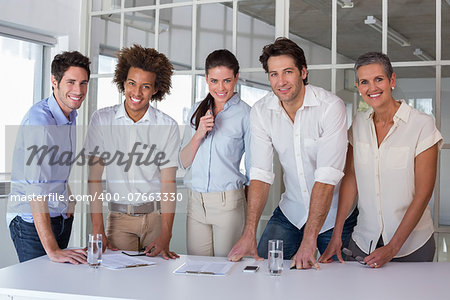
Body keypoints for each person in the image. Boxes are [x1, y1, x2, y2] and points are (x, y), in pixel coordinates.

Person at [227, 37, 358, 269]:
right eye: (274, 74)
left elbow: (327, 178)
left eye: (288, 72)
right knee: (263, 271)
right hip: (291, 210)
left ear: (303, 72)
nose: (281, 81)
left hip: (334, 217)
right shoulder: (261, 111)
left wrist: (309, 240)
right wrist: (250, 232)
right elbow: (260, 174)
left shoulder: (330, 107)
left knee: (342, 284)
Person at [319, 52, 443, 267]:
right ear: (358, 86)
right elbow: (350, 180)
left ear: (391, 80)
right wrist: (337, 234)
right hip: (364, 241)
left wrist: (393, 247)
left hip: (413, 246)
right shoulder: (358, 124)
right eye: (364, 82)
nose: (372, 88)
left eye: (378, 79)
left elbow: (423, 194)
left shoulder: (422, 125)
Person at [85, 44, 180, 259]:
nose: (136, 92)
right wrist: (98, 227)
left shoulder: (167, 126)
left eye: (145, 86)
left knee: (155, 285)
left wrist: (166, 234)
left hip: (156, 219)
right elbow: (94, 179)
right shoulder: (102, 120)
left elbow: (168, 183)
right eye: (131, 83)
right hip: (119, 220)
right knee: (118, 286)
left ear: (155, 89)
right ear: (123, 83)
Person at [8, 51, 91, 263]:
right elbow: (36, 189)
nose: (78, 90)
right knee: (36, 291)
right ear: (54, 81)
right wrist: (53, 250)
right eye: (71, 82)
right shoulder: (41, 123)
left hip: (59, 216)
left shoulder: (69, 114)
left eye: (83, 83)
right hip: (31, 222)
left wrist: (68, 201)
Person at [179, 49, 251, 257]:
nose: (221, 88)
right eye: (214, 81)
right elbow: (183, 162)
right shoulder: (196, 110)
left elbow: (255, 170)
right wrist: (198, 134)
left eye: (227, 81)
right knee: (197, 272)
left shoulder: (245, 115)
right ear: (206, 79)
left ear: (236, 78)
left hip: (227, 204)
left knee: (227, 274)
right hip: (195, 204)